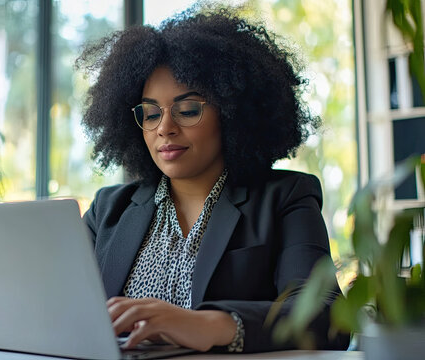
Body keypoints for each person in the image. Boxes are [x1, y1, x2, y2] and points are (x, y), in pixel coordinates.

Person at [78, 3, 350, 354]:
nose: (164, 128)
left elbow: (328, 317)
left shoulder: (286, 197)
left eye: (187, 109)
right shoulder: (107, 211)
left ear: (232, 110)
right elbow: (57, 307)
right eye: (149, 113)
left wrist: (213, 324)